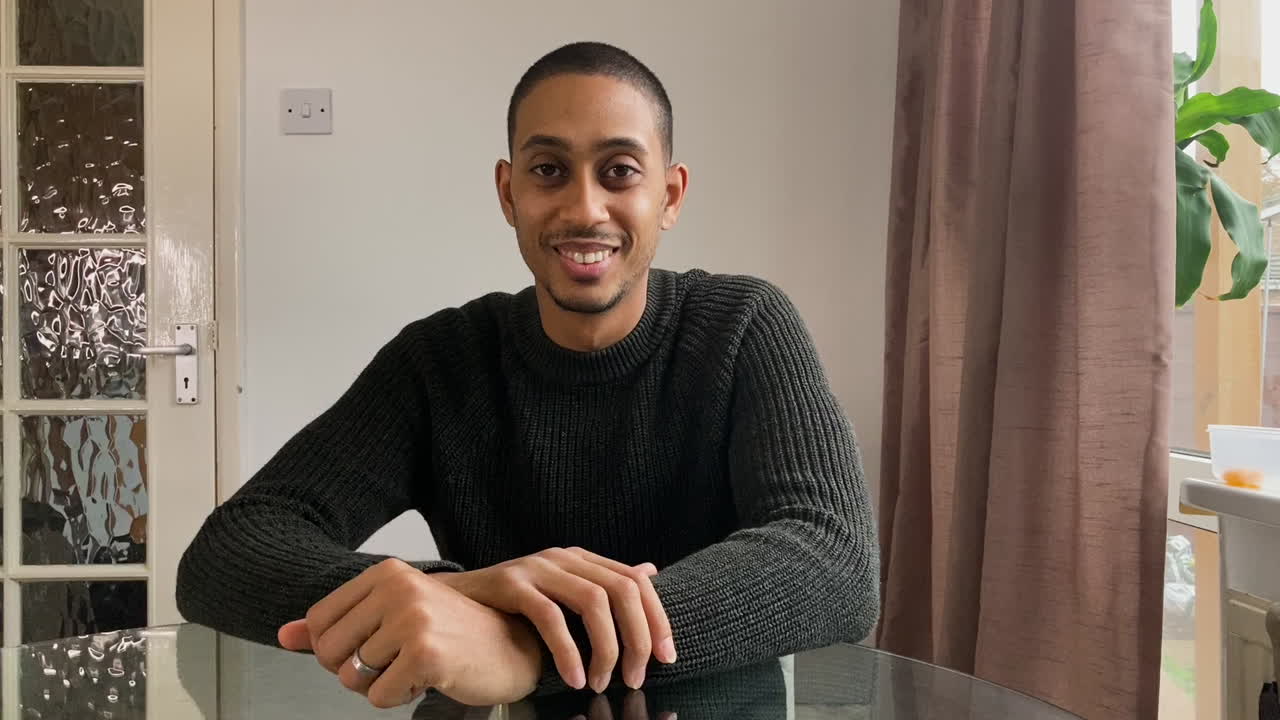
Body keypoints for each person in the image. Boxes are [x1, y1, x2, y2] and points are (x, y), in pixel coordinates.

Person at [176, 40, 879, 709]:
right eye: (548, 171)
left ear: (670, 194)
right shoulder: (440, 362)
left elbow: (834, 559)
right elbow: (226, 552)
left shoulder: (744, 326)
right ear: (509, 193)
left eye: (619, 172)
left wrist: (529, 644)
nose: (583, 208)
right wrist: (456, 596)